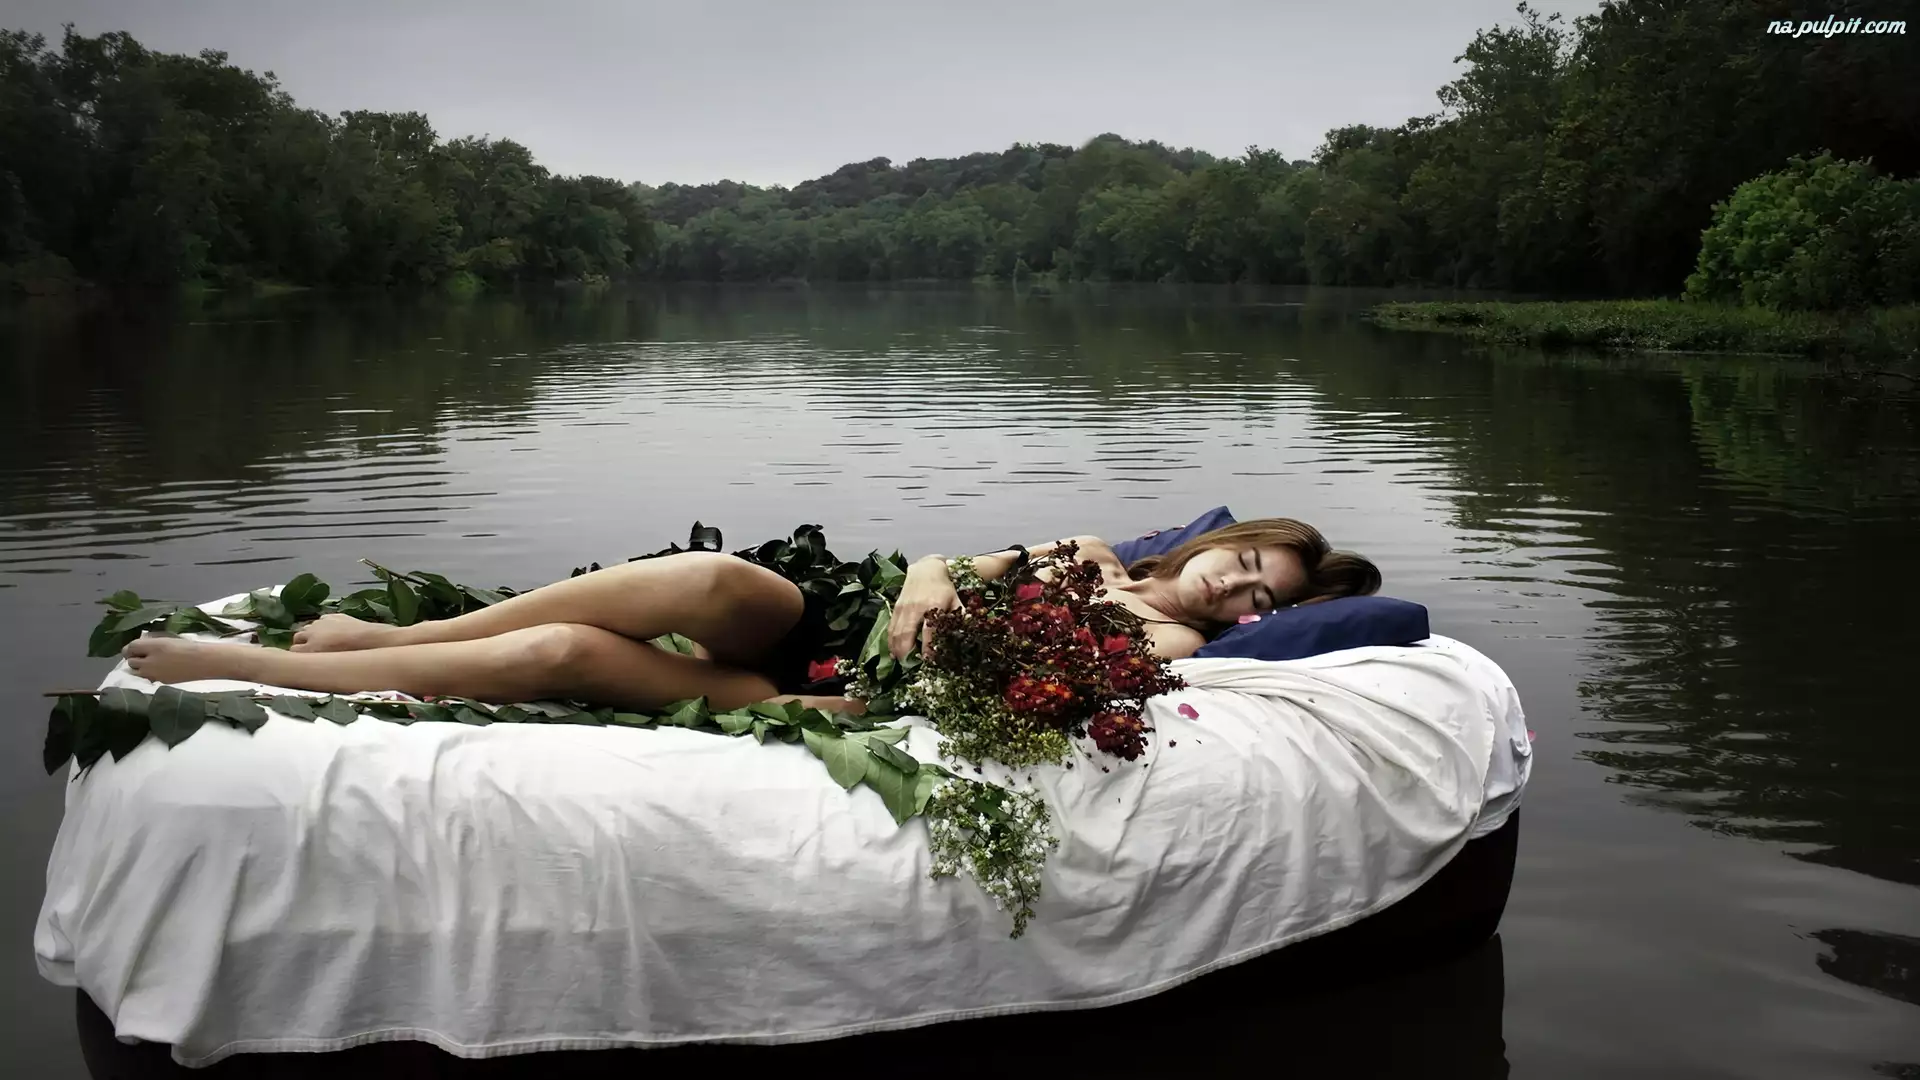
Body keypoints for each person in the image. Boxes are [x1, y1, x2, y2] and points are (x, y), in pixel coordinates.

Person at [119, 519, 1380, 714]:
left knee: (562, 657)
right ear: (1218, 541)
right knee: (715, 580)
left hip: (850, 695)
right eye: (1247, 563)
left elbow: (1042, 686)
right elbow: (949, 564)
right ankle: (398, 642)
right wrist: (930, 581)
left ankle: (254, 668)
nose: (1238, 591)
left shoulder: (1174, 642)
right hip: (842, 613)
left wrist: (935, 649)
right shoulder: (1096, 552)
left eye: (1262, 600)